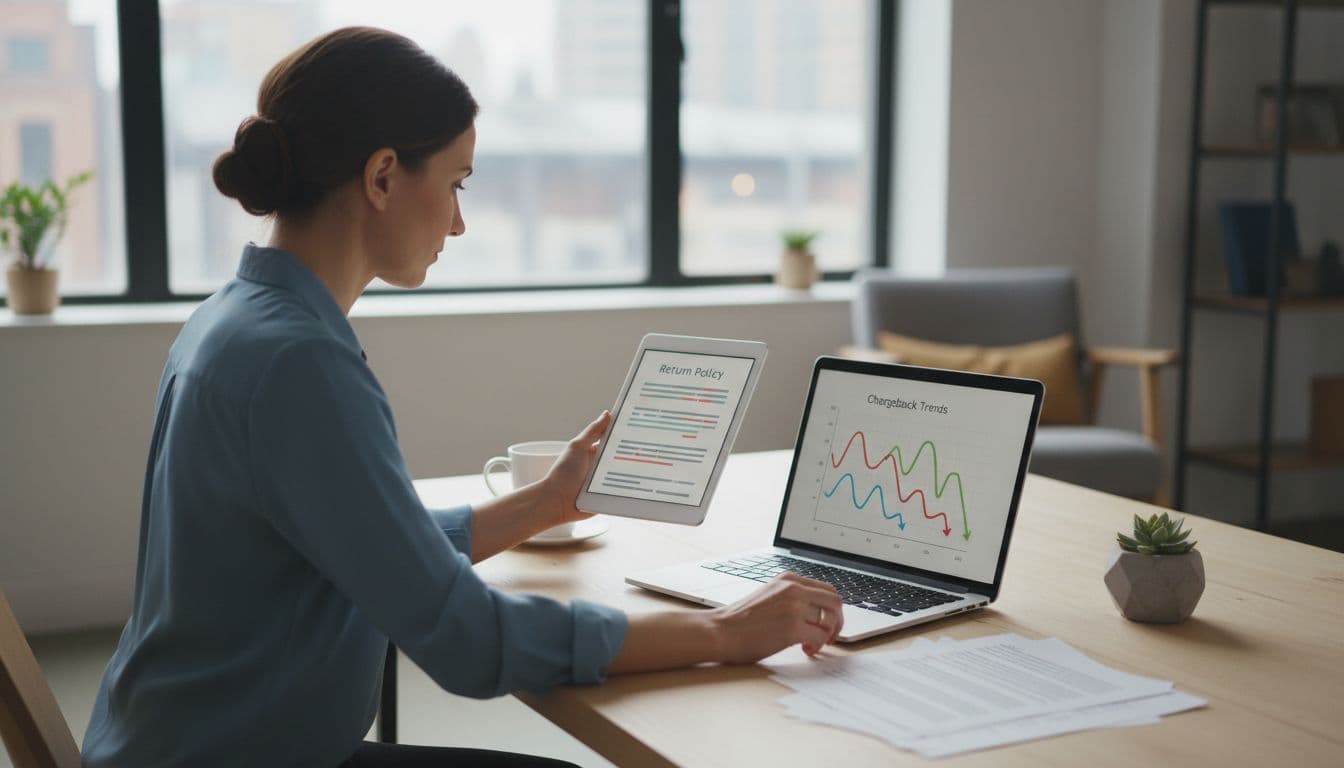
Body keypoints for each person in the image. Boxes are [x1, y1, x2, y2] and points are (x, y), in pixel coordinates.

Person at [82, 26, 844, 767]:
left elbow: (373, 546)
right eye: (455, 183)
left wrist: (541, 505)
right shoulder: (298, 362)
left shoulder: (236, 319)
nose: (458, 221)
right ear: (383, 177)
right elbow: (468, 640)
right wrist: (722, 633)